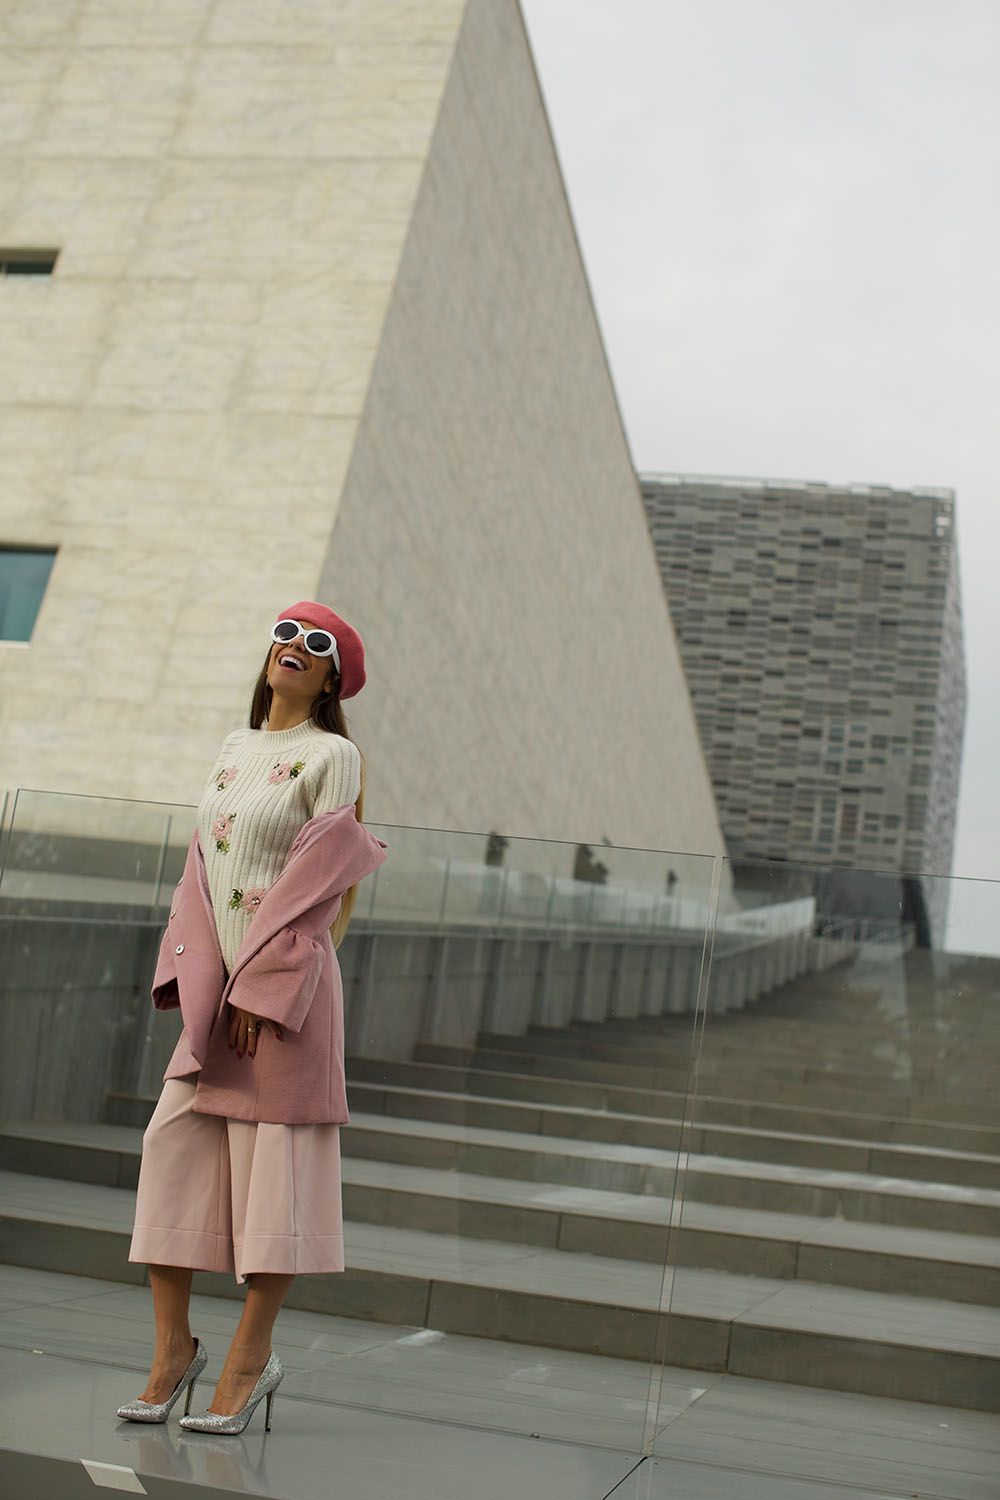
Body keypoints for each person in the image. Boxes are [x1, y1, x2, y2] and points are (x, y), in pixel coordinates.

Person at [116, 601, 388, 1435]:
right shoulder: (235, 748)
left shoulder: (333, 756)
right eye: (286, 633)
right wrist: (204, 980)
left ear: (333, 677)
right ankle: (173, 1351)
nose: (295, 646)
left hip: (283, 1000)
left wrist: (257, 990)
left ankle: (248, 1360)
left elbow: (320, 882)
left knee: (276, 1189)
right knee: (170, 1154)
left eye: (317, 643)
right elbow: (201, 872)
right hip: (220, 999)